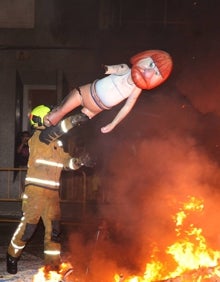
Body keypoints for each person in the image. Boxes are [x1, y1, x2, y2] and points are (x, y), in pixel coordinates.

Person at [7, 105, 94, 275]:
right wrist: (73, 120)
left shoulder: (57, 143)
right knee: (29, 228)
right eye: (50, 116)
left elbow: (66, 163)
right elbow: (59, 129)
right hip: (36, 192)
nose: (53, 119)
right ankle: (12, 255)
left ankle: (53, 265)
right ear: (40, 120)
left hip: (52, 193)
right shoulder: (39, 137)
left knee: (54, 231)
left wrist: (80, 161)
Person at [43, 49, 173, 136]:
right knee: (61, 112)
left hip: (94, 110)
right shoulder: (125, 69)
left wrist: (113, 124)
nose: (149, 72)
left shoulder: (136, 90)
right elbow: (112, 69)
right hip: (84, 94)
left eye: (156, 72)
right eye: (151, 64)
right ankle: (50, 117)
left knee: (74, 122)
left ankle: (53, 133)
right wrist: (106, 68)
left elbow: (127, 107)